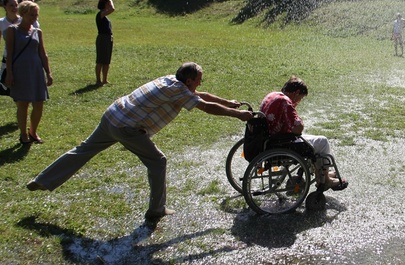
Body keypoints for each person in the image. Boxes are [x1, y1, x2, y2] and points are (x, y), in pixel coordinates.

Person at [26, 62, 253, 221]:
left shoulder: (171, 81)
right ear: (190, 80)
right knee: (158, 161)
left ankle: (42, 180)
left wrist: (228, 101)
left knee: (83, 150)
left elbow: (201, 95)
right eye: (199, 81)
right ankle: (157, 210)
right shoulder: (180, 91)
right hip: (127, 128)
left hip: (113, 115)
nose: (200, 84)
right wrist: (238, 114)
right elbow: (204, 105)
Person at [260, 76, 348, 191]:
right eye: (300, 98)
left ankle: (321, 171)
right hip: (281, 143)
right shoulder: (285, 102)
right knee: (322, 142)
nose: (299, 101)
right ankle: (325, 179)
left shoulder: (272, 95)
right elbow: (298, 128)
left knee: (313, 141)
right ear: (296, 93)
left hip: (270, 140)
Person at [4, 1, 52, 144]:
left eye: (36, 15)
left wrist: (48, 72)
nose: (34, 18)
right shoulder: (12, 30)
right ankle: (23, 134)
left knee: (39, 103)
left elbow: (43, 54)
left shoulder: (38, 32)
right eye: (31, 15)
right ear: (22, 13)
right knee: (23, 104)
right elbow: (10, 54)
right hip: (20, 71)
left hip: (36, 71)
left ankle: (33, 132)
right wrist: (9, 73)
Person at [95, 0, 114, 86]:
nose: (109, 5)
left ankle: (104, 80)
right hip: (103, 38)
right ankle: (98, 80)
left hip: (108, 38)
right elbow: (112, 9)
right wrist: (111, 1)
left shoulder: (104, 16)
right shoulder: (100, 14)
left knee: (106, 61)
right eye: (107, 4)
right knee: (100, 61)